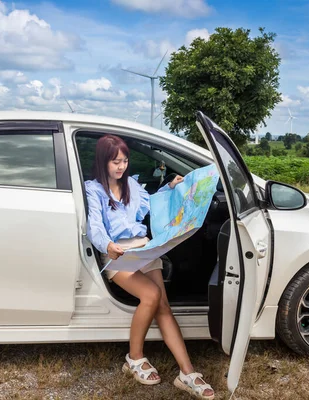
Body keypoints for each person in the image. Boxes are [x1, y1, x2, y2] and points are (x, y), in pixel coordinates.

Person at [85, 135, 215, 399]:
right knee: (152, 295)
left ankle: (187, 373)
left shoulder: (131, 183)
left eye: (124, 161)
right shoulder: (93, 189)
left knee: (163, 306)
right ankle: (134, 358)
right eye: (115, 162)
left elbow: (151, 202)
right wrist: (107, 245)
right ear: (103, 162)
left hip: (144, 248)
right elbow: (94, 226)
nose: (121, 167)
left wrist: (170, 187)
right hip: (118, 253)